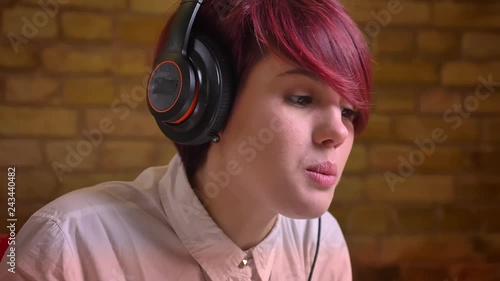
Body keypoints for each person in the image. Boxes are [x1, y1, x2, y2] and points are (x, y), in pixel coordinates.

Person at [0, 0, 372, 280]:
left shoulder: (322, 243)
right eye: (302, 98)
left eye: (349, 111)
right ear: (207, 102)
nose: (339, 132)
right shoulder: (69, 248)